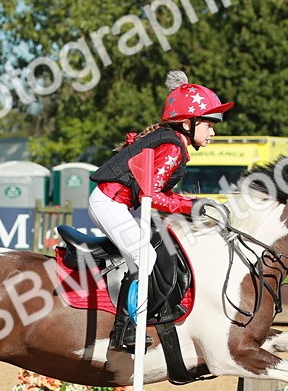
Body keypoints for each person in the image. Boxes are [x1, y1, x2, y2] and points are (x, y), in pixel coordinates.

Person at [87, 70, 233, 349]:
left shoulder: (173, 141)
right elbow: (150, 196)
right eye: (208, 124)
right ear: (188, 123)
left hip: (122, 204)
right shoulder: (173, 146)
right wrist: (192, 206)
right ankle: (124, 331)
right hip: (110, 203)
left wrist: (191, 204)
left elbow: (156, 193)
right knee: (145, 256)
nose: (213, 132)